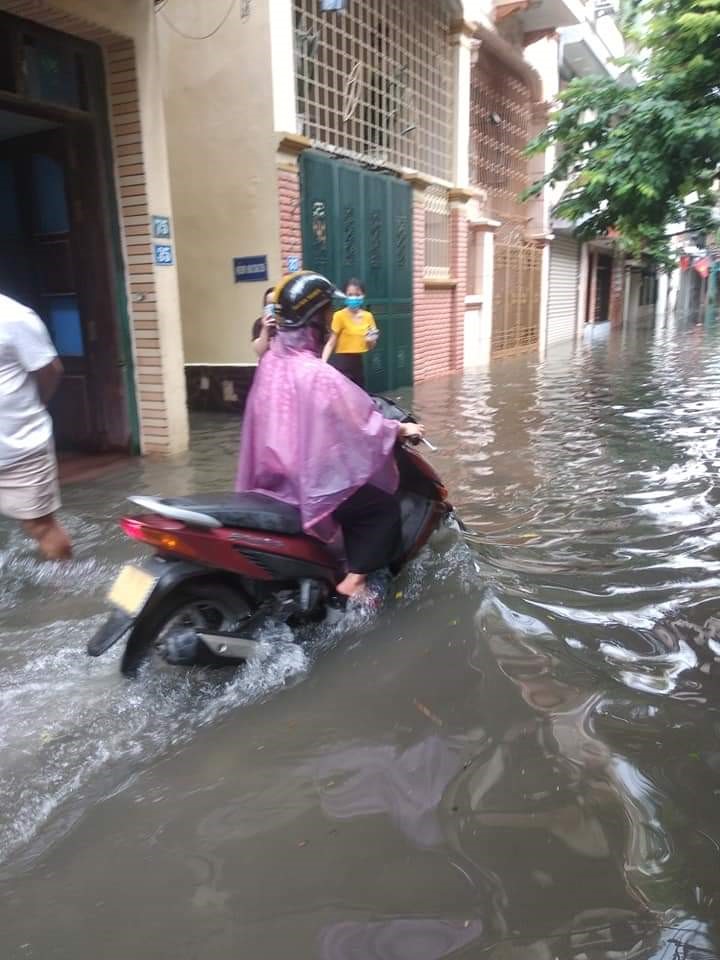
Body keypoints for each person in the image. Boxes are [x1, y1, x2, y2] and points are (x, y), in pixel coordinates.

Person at [236, 271, 423, 601]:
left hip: (273, 479)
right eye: (324, 314)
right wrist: (398, 428)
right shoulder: (315, 374)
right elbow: (361, 426)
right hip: (305, 485)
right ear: (315, 321)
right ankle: (354, 583)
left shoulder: (271, 362)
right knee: (381, 509)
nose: (327, 321)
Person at [0, 292, 72, 560]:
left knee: (40, 526)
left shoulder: (14, 317)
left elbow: (50, 370)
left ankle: (62, 592)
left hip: (19, 448)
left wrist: (33, 408)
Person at [322, 278, 378, 389]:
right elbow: (331, 343)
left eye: (357, 294)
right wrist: (322, 363)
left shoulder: (368, 317)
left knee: (359, 396)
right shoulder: (339, 316)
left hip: (358, 363)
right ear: (345, 296)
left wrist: (371, 340)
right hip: (342, 362)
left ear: (363, 295)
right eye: (350, 294)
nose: (354, 298)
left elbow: (371, 346)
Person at [251, 286, 277, 359]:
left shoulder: (291, 323)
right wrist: (265, 329)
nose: (272, 307)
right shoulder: (259, 323)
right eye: (269, 304)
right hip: (267, 367)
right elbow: (260, 352)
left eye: (275, 303)